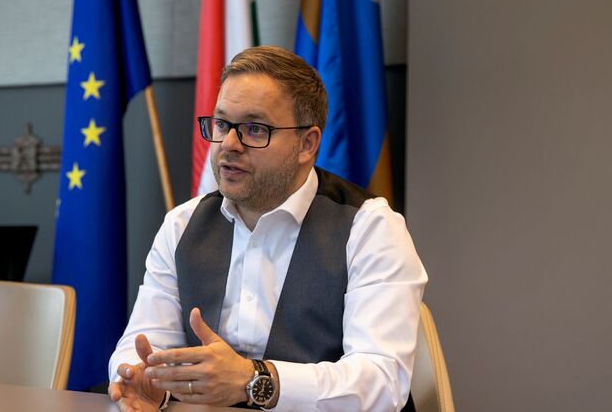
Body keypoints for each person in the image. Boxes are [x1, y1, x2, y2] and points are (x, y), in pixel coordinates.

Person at [108, 46, 427, 412]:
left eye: (255, 129)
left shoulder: (370, 228)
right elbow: (140, 346)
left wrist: (254, 380)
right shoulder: (182, 225)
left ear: (307, 144)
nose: (229, 144)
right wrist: (148, 382)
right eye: (222, 124)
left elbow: (383, 382)